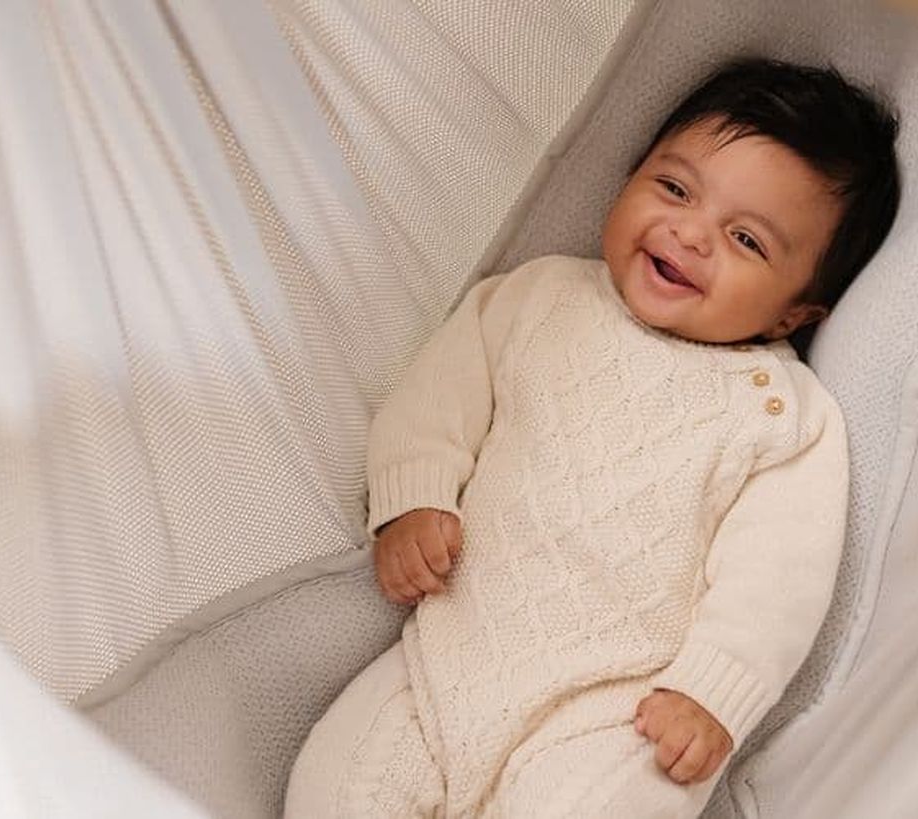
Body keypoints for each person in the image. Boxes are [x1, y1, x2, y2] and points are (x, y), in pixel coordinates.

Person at [284, 58, 900, 818]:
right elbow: (438, 393)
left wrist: (711, 690)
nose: (689, 232)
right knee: (339, 781)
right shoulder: (537, 296)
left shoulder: (781, 416)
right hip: (447, 658)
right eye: (674, 189)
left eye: (745, 239)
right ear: (629, 178)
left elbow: (779, 576)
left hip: (618, 711)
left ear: (793, 315)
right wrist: (413, 496)